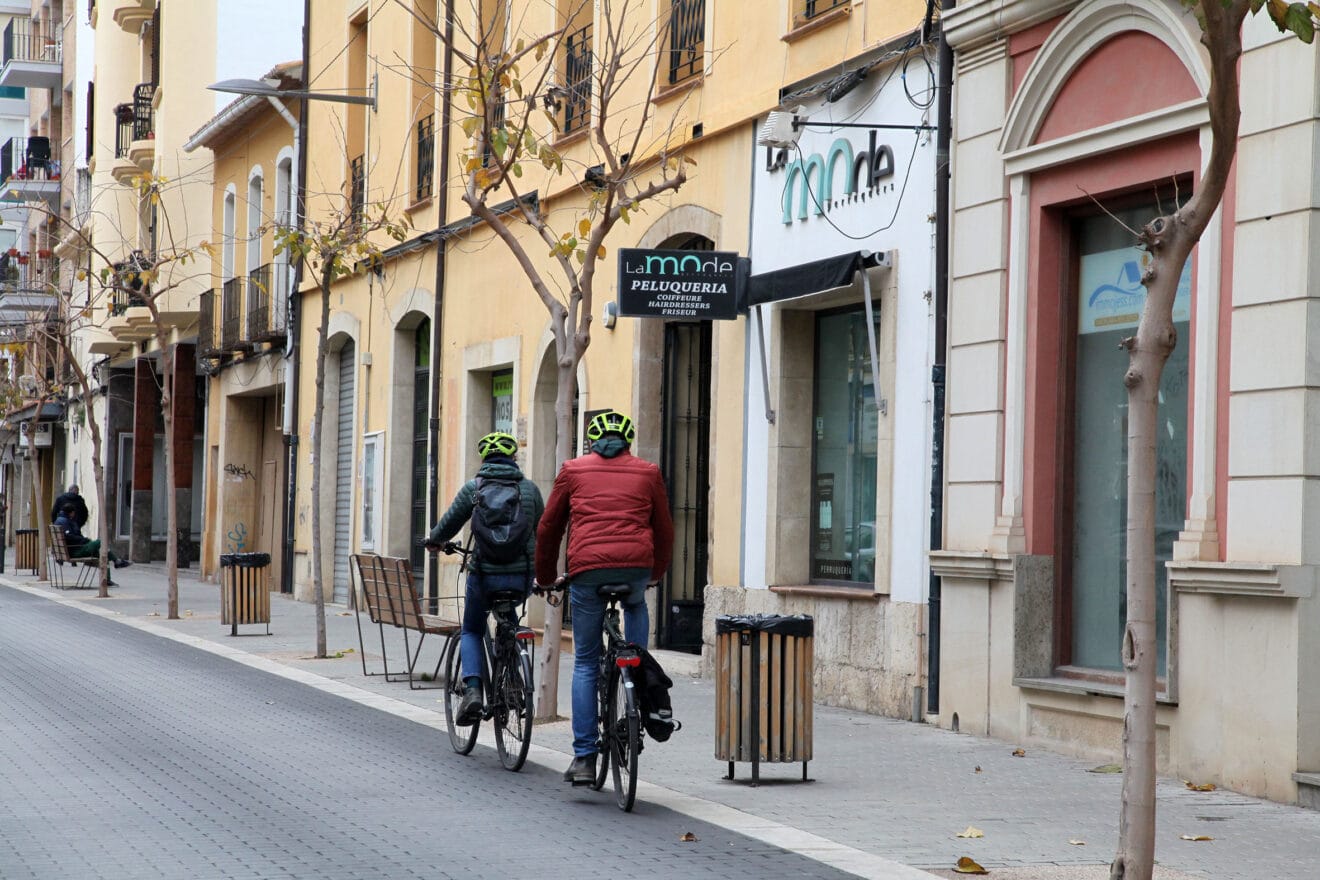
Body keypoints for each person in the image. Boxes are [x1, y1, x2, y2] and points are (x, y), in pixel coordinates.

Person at [534, 410, 673, 785]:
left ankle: (584, 758)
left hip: (588, 571)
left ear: (591, 442)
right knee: (635, 605)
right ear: (628, 442)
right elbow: (664, 529)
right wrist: (655, 573)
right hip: (635, 569)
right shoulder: (648, 472)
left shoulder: (572, 470)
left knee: (584, 662)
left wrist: (545, 578)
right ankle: (638, 669)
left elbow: (549, 528)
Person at [423, 431, 544, 725]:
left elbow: (448, 524)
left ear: (484, 459)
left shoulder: (473, 489)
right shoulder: (529, 490)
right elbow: (543, 530)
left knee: (472, 631)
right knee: (509, 618)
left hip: (485, 576)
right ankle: (513, 681)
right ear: (513, 457)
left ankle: (473, 691)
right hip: (521, 578)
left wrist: (435, 541)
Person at [54, 504, 130, 570]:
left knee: (102, 555)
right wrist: (84, 540)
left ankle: (114, 565)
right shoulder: (65, 521)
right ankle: (117, 561)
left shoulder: (59, 520)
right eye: (74, 513)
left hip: (70, 549)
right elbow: (69, 537)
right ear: (71, 512)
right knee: (99, 542)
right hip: (75, 550)